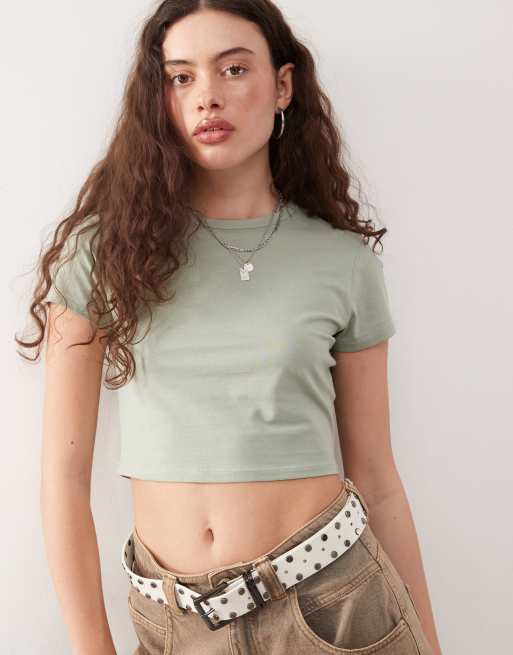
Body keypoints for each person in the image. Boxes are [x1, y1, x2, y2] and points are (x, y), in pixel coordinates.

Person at [17, 1, 442, 653]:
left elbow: (378, 480)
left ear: (283, 86)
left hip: (334, 605)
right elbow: (62, 483)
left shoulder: (341, 261)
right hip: (176, 624)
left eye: (234, 68)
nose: (207, 96)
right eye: (180, 76)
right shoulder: (103, 253)